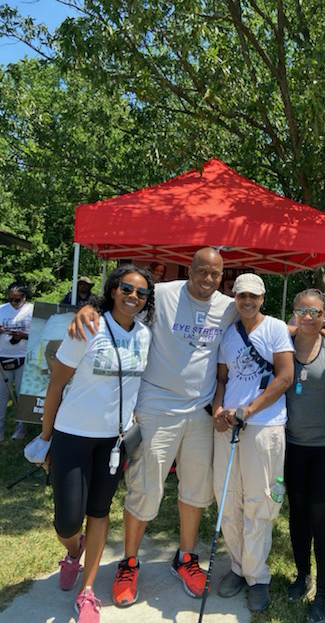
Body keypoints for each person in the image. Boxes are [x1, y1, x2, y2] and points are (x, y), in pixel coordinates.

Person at [68, 248, 238, 606]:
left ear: (223, 276)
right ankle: (129, 563)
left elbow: (261, 322)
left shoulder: (229, 306)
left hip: (201, 413)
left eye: (216, 274)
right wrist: (90, 308)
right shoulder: (161, 294)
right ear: (190, 270)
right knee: (145, 488)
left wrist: (309, 330)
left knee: (196, 490)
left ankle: (186, 558)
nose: (208, 280)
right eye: (202, 271)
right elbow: (123, 303)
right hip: (156, 408)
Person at [40, 265, 153, 623]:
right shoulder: (87, 326)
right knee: (67, 523)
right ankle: (73, 552)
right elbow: (56, 386)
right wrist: (45, 440)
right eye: (126, 288)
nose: (133, 296)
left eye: (141, 292)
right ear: (112, 290)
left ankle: (87, 591)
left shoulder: (145, 336)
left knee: (99, 512)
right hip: (72, 434)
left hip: (114, 441)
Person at [212, 273, 294, 612]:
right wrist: (218, 409)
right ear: (235, 297)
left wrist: (250, 409)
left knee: (261, 501)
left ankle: (257, 576)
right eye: (242, 295)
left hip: (265, 426)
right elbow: (222, 378)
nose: (248, 302)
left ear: (263, 298)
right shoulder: (228, 334)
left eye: (254, 297)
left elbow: (285, 376)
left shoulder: (275, 328)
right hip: (229, 426)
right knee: (228, 499)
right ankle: (237, 567)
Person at [284, 289, 325, 622]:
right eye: (302, 311)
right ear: (294, 313)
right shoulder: (282, 342)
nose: (308, 316)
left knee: (322, 519)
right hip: (292, 444)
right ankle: (302, 575)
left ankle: (323, 592)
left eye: (316, 311)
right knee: (297, 515)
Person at [0, 282, 33, 441]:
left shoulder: (32, 310)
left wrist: (24, 336)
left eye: (17, 300)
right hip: (3, 357)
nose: (13, 303)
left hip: (23, 357)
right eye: (11, 299)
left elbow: (40, 333)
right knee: (1, 395)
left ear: (24, 297)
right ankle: (0, 429)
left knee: (22, 394)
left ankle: (21, 428)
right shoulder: (1, 310)